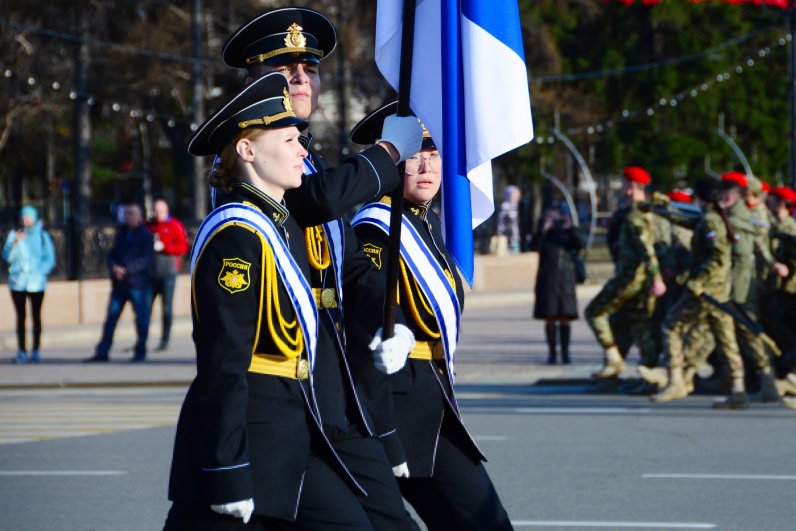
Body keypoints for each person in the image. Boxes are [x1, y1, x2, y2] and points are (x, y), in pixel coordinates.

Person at [221, 9, 423, 530]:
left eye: (308, 68)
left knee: (386, 520)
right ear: (252, 84)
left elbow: (353, 268)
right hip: (284, 387)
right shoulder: (256, 173)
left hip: (335, 379)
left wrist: (388, 319)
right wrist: (387, 153)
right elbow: (316, 203)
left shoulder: (308, 163)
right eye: (284, 69)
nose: (300, 78)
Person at [352, 104, 514, 531]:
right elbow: (369, 307)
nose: (426, 165)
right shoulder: (374, 229)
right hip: (398, 404)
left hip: (431, 399)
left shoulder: (427, 224)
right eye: (414, 154)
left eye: (435, 153)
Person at [649, 177, 750, 409]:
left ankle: (675, 379)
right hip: (718, 293)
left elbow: (718, 257)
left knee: (671, 326)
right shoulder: (710, 219)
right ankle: (738, 389)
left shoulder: (712, 222)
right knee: (727, 341)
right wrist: (662, 211)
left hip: (706, 292)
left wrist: (699, 281)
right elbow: (686, 220)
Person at [585, 166, 667, 379]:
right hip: (637, 279)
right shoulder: (635, 211)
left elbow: (646, 248)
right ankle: (648, 375)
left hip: (629, 278)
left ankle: (614, 360)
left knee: (594, 312)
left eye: (623, 183)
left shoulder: (635, 216)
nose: (621, 187)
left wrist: (656, 279)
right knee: (638, 325)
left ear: (631, 187)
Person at [85, 203, 154, 363]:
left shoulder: (145, 235)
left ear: (139, 216)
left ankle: (140, 351)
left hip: (137, 283)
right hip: (119, 284)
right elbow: (113, 254)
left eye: (132, 214)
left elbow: (145, 259)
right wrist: (115, 267)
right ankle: (103, 351)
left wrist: (127, 269)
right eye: (127, 214)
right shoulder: (121, 233)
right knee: (111, 318)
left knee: (141, 319)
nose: (129, 217)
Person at [530, 201, 584, 364]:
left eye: (556, 216)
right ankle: (552, 353)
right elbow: (533, 246)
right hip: (547, 280)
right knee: (550, 317)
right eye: (550, 216)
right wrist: (543, 229)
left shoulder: (567, 234)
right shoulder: (544, 234)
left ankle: (566, 353)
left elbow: (580, 244)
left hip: (566, 280)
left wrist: (571, 228)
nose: (554, 220)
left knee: (565, 317)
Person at [2, 205, 56, 363]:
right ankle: (22, 351)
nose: (25, 220)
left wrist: (40, 271)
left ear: (34, 218)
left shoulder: (42, 235)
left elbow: (49, 258)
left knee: (36, 316)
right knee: (21, 317)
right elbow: (7, 257)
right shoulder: (15, 235)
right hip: (18, 282)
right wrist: (15, 243)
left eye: (28, 217)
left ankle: (36, 350)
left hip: (36, 283)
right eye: (23, 217)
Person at [146, 198, 189, 352]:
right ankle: (142, 340)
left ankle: (165, 339)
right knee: (145, 308)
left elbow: (182, 247)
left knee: (167, 308)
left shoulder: (175, 225)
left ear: (166, 211)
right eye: (155, 211)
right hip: (151, 273)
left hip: (168, 273)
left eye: (160, 211)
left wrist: (166, 246)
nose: (157, 214)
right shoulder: (149, 226)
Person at [497, 185, 522, 254]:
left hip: (516, 234)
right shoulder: (505, 206)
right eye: (513, 195)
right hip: (508, 234)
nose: (516, 197)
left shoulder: (519, 206)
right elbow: (502, 222)